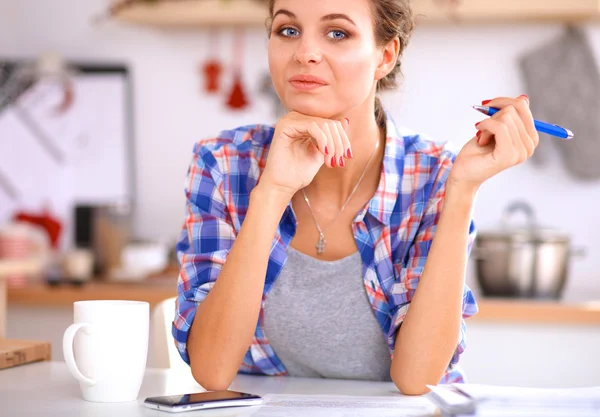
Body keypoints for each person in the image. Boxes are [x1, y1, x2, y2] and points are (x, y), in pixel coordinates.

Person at [172, 0, 539, 395]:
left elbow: (420, 380)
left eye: (337, 33)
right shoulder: (224, 163)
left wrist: (463, 189)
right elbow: (211, 371)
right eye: (288, 31)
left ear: (385, 56)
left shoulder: (434, 175)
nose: (305, 53)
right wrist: (273, 191)